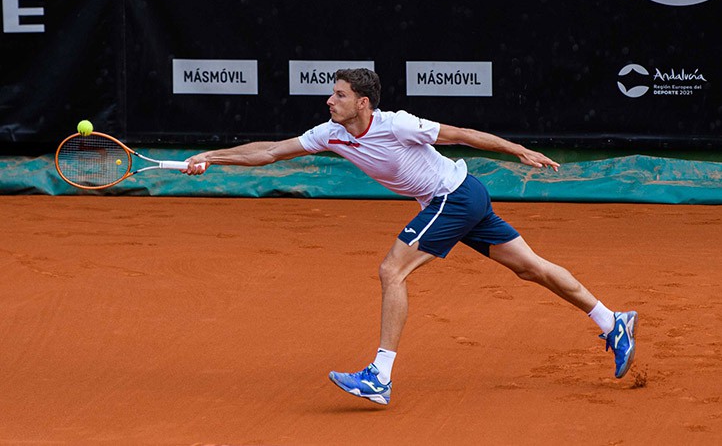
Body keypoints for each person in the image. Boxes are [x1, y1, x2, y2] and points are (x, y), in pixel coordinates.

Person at [183, 68, 637, 405]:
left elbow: (460, 134)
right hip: (463, 198)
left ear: (363, 103)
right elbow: (269, 152)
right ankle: (610, 320)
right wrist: (213, 156)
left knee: (391, 270)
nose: (329, 101)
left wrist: (518, 150)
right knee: (529, 267)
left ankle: (379, 375)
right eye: (331, 93)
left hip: (452, 198)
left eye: (339, 95)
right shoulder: (330, 134)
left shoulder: (396, 124)